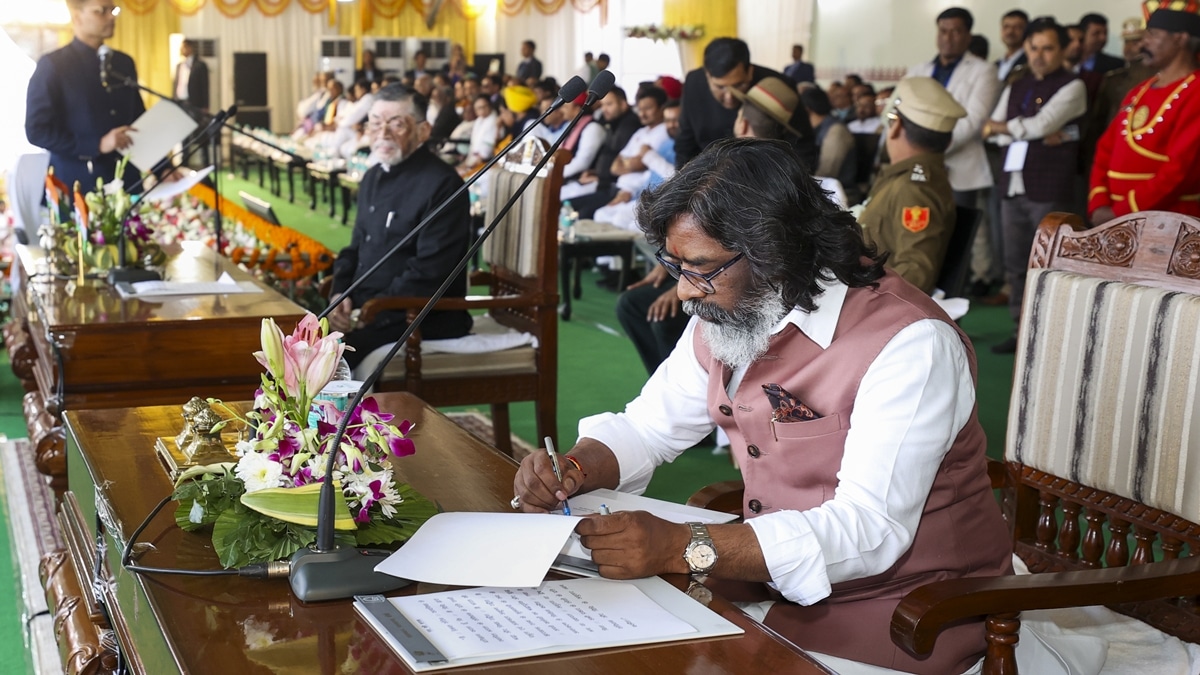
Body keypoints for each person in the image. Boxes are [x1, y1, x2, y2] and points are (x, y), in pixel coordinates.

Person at [513, 137, 1011, 674]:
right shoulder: (729, 307)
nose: (682, 292)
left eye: (700, 268)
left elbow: (870, 531)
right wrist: (578, 465)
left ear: (774, 252)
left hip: (909, 613)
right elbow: (649, 428)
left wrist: (685, 546)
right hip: (770, 585)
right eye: (675, 265)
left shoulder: (911, 343)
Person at [329, 85, 472, 368]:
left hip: (416, 316)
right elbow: (355, 248)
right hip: (368, 310)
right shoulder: (372, 176)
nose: (383, 133)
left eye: (396, 124)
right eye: (376, 123)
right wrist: (339, 294)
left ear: (423, 130)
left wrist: (366, 313)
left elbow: (429, 273)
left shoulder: (444, 185)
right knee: (294, 350)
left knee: (324, 367)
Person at [986, 18, 1086, 353]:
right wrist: (1023, 129)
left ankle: (1052, 338)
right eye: (1034, 48)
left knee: (1053, 266)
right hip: (1012, 185)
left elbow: (1040, 124)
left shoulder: (1073, 85)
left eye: (1047, 48)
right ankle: (1021, 331)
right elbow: (991, 129)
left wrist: (1014, 128)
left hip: (1048, 185)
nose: (1039, 55)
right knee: (1015, 265)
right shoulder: (1017, 84)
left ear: (1063, 50)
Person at [1089, 3, 1200, 223]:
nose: (1143, 43)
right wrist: (1099, 203)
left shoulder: (1196, 91)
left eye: (1152, 34)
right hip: (1117, 222)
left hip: (1171, 222)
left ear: (1180, 38)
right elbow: (1105, 148)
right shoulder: (1138, 91)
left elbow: (1181, 170)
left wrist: (1122, 211)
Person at [858, 77, 964, 295]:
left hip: (875, 305)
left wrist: (862, 300)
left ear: (896, 127)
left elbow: (916, 273)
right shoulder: (904, 178)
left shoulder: (914, 189)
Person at [26, 0, 144, 192]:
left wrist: (164, 167)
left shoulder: (123, 63)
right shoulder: (54, 65)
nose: (111, 17)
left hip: (127, 180)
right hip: (77, 185)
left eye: (113, 10)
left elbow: (138, 119)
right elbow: (36, 131)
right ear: (76, 16)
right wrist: (96, 144)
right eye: (101, 11)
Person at [673, 37, 815, 169]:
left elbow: (803, 147)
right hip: (707, 178)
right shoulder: (694, 84)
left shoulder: (778, 87)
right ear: (707, 75)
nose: (729, 97)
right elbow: (685, 146)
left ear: (750, 71)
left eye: (738, 85)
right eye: (720, 87)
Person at [996, 10, 1029, 82]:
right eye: (1006, 27)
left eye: (1016, 27)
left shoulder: (1029, 62)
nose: (1010, 31)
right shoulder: (995, 65)